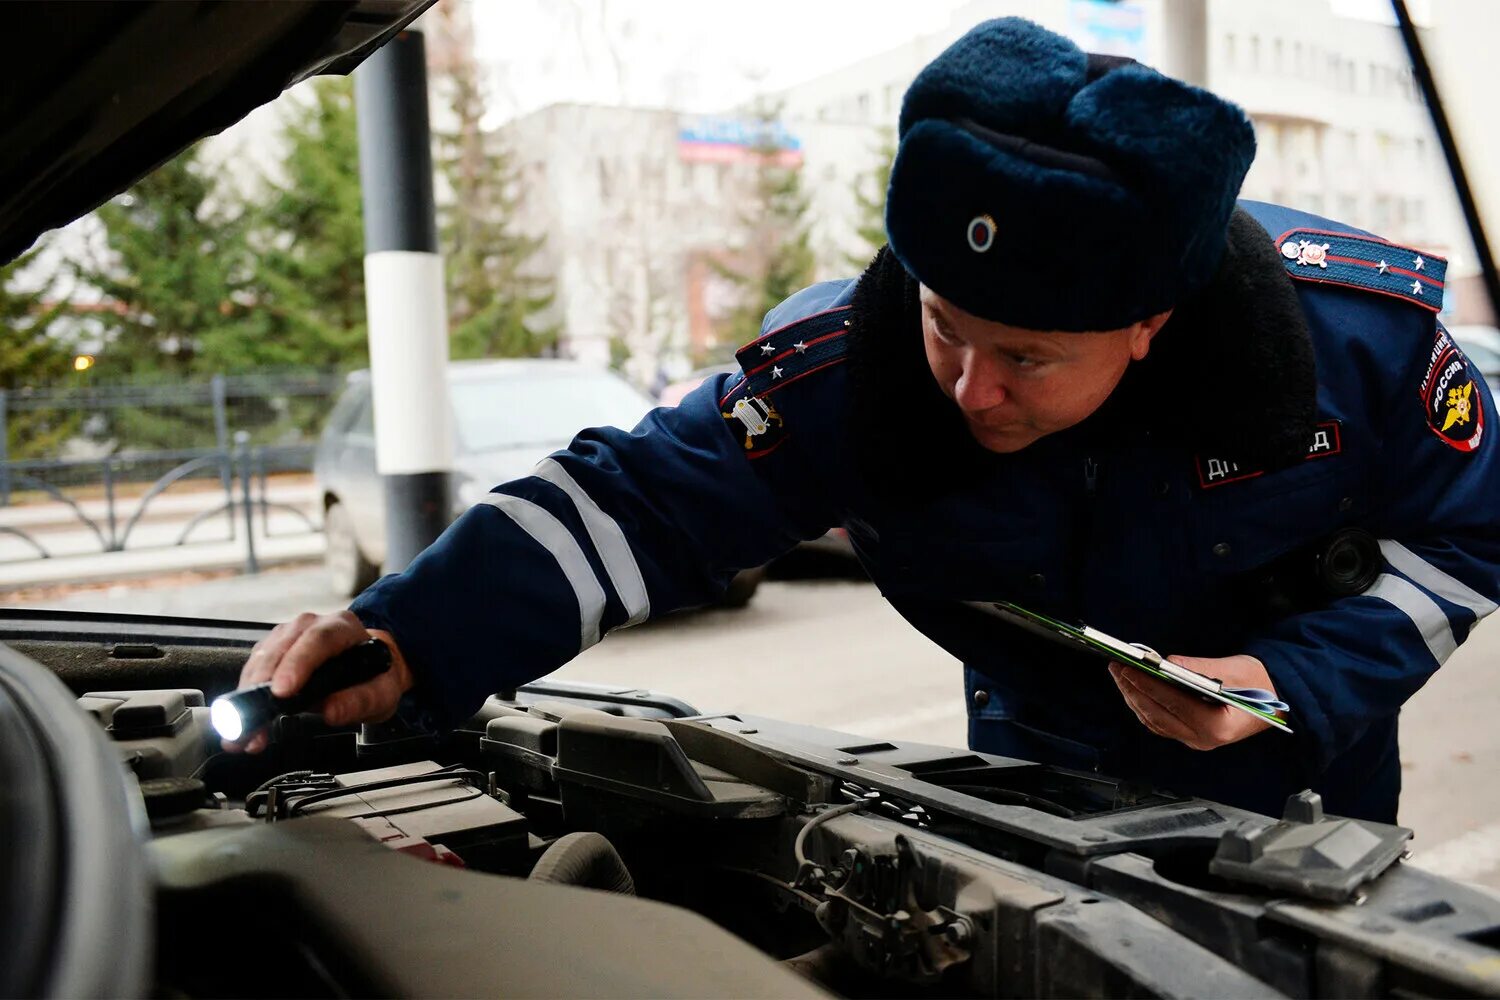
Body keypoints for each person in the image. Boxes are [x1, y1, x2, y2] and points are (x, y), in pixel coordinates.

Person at [229, 18, 1500, 823]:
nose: (969, 388)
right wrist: (407, 636)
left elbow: (1469, 542)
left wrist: (1293, 681)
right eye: (947, 322)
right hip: (1036, 791)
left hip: (1307, 800)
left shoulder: (1360, 349)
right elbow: (637, 505)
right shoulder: (855, 366)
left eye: (1027, 355)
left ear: (1150, 323)